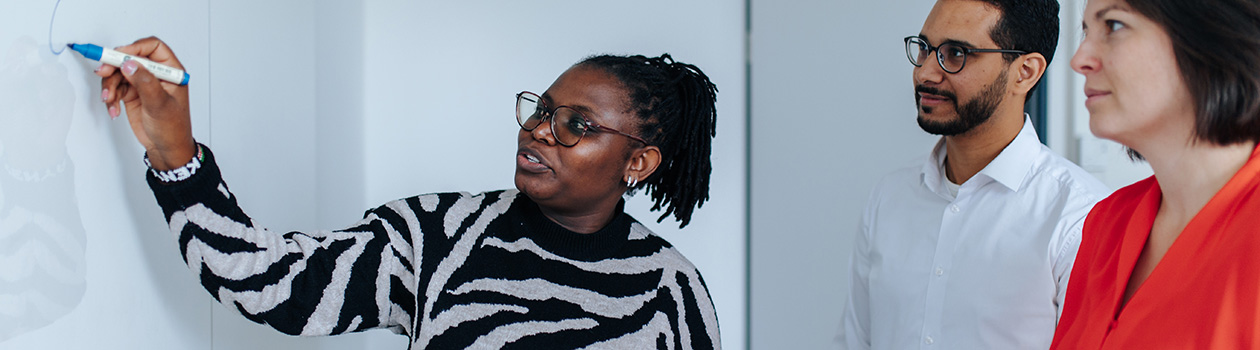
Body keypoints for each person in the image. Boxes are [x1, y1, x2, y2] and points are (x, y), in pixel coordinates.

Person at [96, 37, 721, 349]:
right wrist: (173, 151)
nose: (539, 130)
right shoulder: (438, 236)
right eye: (542, 109)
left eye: (576, 126)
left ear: (637, 161)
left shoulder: (670, 290)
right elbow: (271, 284)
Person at [839, 0, 1109, 349]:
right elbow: (854, 340)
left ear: (1025, 72)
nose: (925, 73)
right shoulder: (889, 197)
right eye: (925, 49)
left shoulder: (1079, 218)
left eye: (956, 54)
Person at [1051, 0, 1260, 347]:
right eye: (1086, 31)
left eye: (1114, 26)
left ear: (1212, 34)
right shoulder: (1106, 222)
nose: (1079, 60)